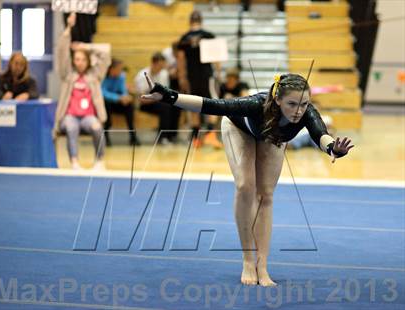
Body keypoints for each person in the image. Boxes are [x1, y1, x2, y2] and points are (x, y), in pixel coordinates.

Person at [141, 73, 354, 286]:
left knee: (266, 195)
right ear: (278, 100)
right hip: (238, 130)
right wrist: (169, 96)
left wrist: (332, 148)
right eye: (292, 104)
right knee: (245, 186)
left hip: (271, 137)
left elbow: (320, 133)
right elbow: (211, 105)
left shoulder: (306, 112)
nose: (298, 111)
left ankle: (262, 266)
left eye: (304, 104)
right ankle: (248, 260)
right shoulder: (255, 104)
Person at [54, 13, 111, 170]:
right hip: (70, 116)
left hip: (88, 116)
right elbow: (61, 51)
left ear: (88, 61)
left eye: (83, 59)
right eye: (77, 59)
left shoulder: (95, 76)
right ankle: (74, 161)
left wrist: (85, 47)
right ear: (73, 60)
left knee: (97, 128)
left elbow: (106, 52)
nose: (79, 62)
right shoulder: (68, 75)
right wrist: (68, 29)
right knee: (72, 128)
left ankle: (99, 161)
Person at [177, 10, 223, 149]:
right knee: (213, 103)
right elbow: (216, 58)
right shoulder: (208, 36)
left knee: (193, 106)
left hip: (192, 77)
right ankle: (210, 134)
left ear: (190, 21)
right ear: (201, 21)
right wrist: (219, 72)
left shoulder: (184, 38)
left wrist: (182, 78)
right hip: (206, 75)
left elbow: (181, 60)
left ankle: (196, 139)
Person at [134, 52, 175, 144]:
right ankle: (163, 137)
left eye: (163, 66)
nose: (161, 68)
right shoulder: (142, 76)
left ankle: (170, 135)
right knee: (165, 107)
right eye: (160, 66)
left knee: (174, 105)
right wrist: (157, 97)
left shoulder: (164, 74)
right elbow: (141, 99)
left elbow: (165, 93)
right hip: (144, 105)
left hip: (158, 101)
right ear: (153, 63)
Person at [102, 58, 140, 146]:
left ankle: (133, 136)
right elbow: (103, 93)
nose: (120, 70)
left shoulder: (121, 76)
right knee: (106, 104)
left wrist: (125, 97)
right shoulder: (103, 77)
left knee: (129, 106)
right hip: (107, 102)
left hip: (118, 102)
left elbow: (123, 90)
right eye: (119, 68)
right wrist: (118, 98)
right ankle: (106, 137)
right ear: (111, 69)